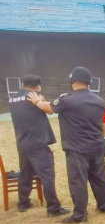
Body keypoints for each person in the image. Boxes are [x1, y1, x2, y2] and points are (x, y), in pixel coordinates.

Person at [28, 67, 105, 224]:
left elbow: (49, 109)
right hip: (97, 145)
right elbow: (104, 122)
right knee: (100, 177)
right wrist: (103, 138)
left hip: (76, 148)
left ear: (73, 81)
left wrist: (37, 101)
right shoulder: (99, 100)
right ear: (88, 82)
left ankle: (80, 215)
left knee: (77, 181)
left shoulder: (66, 99)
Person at [8, 75, 70, 216]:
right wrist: (40, 101)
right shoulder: (33, 97)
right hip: (37, 143)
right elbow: (49, 110)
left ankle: (23, 203)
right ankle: (53, 208)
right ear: (37, 87)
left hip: (22, 142)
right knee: (47, 175)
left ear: (23, 84)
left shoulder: (12, 99)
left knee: (25, 173)